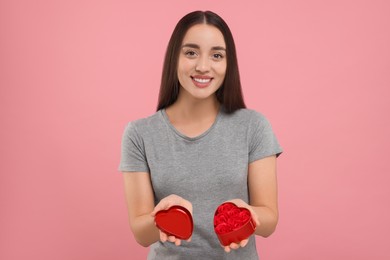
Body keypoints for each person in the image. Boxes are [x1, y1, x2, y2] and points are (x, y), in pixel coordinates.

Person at [119, 10, 283, 259]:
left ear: (229, 64)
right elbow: (141, 234)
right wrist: (163, 217)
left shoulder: (254, 126)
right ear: (175, 57)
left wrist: (247, 214)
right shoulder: (140, 134)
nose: (203, 66)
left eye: (217, 55)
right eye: (191, 52)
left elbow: (270, 221)